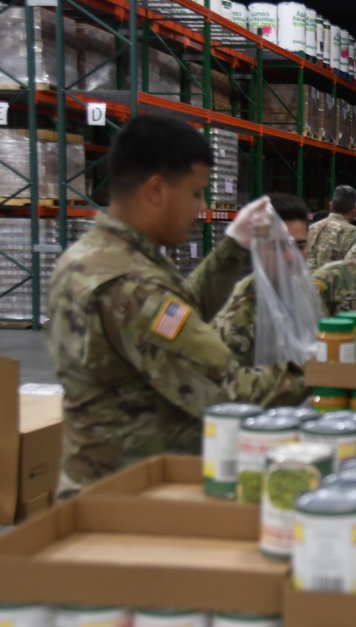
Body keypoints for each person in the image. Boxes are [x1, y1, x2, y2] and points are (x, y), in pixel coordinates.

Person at [47, 114, 306, 494]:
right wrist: (314, 367)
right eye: (196, 194)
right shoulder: (131, 285)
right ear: (157, 190)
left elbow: (177, 313)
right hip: (131, 497)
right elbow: (226, 391)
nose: (199, 209)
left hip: (107, 482)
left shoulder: (96, 256)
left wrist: (233, 247)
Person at [212, 193, 312, 366]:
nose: (290, 257)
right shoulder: (239, 317)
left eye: (299, 247)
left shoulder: (305, 292)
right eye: (277, 247)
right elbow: (229, 388)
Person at [306, 184, 356, 270]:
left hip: (310, 282)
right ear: (355, 210)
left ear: (331, 205)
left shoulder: (312, 228)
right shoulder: (354, 233)